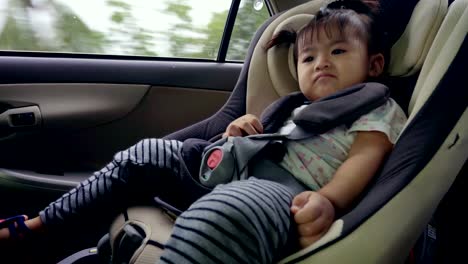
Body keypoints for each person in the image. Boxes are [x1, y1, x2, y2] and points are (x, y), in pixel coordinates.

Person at [0, 0, 407, 263]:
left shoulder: (376, 107)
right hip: (232, 174)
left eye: (338, 52)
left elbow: (365, 156)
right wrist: (238, 132)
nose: (321, 63)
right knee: (149, 154)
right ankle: (38, 228)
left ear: (372, 66)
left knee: (229, 211)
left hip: (285, 195)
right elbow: (250, 145)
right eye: (308, 58)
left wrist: (327, 200)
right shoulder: (293, 108)